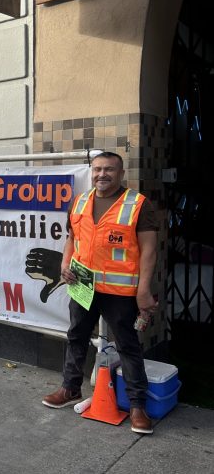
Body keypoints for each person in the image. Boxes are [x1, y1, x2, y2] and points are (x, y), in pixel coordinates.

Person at [42, 151, 159, 434]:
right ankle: (70, 389)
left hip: (119, 292)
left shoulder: (137, 204)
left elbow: (149, 251)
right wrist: (65, 264)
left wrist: (143, 291)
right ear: (91, 172)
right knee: (76, 336)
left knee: (128, 345)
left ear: (120, 173)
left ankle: (137, 406)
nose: (101, 175)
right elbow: (72, 238)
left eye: (108, 170)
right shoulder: (81, 201)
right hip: (83, 287)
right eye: (97, 170)